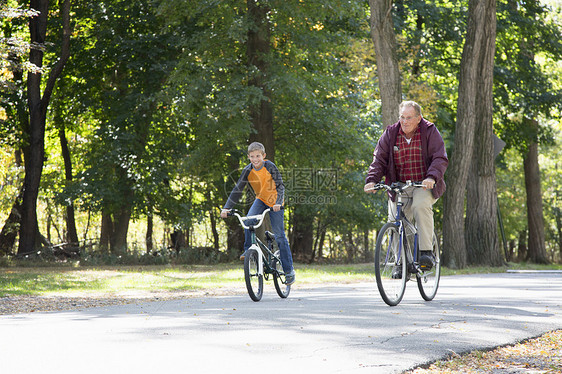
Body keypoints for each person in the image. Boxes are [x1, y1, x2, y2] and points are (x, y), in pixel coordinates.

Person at [364, 101, 448, 275]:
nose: (405, 121)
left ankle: (426, 253)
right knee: (395, 220)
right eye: (402, 117)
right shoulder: (391, 133)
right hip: (399, 185)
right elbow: (379, 159)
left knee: (420, 206)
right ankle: (400, 262)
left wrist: (431, 177)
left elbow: (439, 158)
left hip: (423, 184)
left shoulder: (429, 131)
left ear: (418, 118)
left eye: (409, 117)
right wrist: (372, 180)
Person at [221, 142, 295, 285]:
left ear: (263, 156)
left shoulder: (270, 166)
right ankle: (249, 251)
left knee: (279, 236)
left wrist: (278, 203)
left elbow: (280, 186)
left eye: (258, 156)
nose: (255, 159)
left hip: (275, 202)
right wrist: (226, 208)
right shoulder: (248, 170)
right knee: (248, 221)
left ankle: (289, 271)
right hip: (260, 199)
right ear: (248, 157)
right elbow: (237, 189)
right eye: (252, 156)